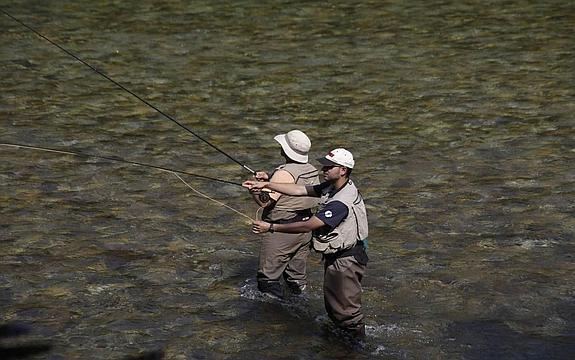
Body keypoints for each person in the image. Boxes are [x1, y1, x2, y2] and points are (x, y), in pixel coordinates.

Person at [243, 148, 369, 337]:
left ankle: (357, 348)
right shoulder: (332, 186)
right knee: (335, 306)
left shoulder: (340, 202)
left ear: (343, 170)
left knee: (346, 313)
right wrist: (267, 184)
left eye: (329, 166)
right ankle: (341, 341)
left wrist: (271, 227)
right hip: (339, 257)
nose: (323, 169)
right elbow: (299, 190)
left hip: (346, 261)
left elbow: (308, 225)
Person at [249, 130, 319, 298]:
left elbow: (265, 202)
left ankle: (275, 318)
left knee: (267, 280)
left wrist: (254, 189)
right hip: (305, 229)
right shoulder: (312, 169)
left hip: (282, 231)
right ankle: (300, 306)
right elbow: (295, 182)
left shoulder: (283, 172)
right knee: (295, 278)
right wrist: (268, 178)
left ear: (286, 150)